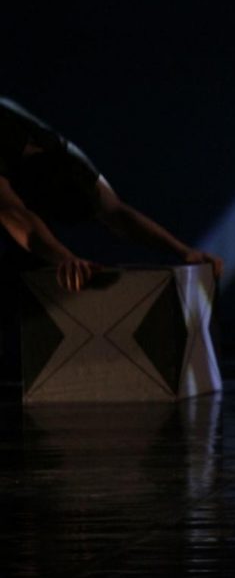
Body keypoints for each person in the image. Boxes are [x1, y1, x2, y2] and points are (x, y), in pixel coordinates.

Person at [0, 97, 222, 378]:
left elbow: (117, 214)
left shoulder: (68, 160)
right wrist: (65, 259)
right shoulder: (13, 147)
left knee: (34, 264)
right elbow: (13, 212)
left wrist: (184, 251)